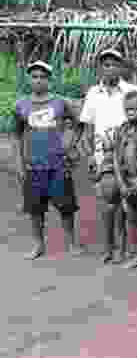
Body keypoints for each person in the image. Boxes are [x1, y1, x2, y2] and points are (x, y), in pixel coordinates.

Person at [79, 49, 137, 263]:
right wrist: (91, 157)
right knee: (109, 204)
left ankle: (128, 250)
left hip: (131, 157)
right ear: (100, 68)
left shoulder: (132, 90)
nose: (109, 68)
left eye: (113, 64)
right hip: (105, 157)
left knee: (129, 205)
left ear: (121, 67)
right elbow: (87, 131)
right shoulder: (93, 93)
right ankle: (109, 248)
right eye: (105, 64)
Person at [14, 60, 83, 259]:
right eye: (34, 76)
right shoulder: (21, 105)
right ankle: (38, 244)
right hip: (33, 165)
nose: (38, 80)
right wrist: (19, 163)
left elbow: (80, 124)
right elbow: (17, 135)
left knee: (66, 206)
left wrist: (70, 144)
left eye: (42, 77)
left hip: (59, 165)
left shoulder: (60, 103)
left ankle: (71, 243)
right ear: (29, 79)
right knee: (35, 209)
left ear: (49, 80)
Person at [112, 90, 137, 269]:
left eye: (135, 109)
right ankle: (135, 254)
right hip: (127, 182)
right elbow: (115, 156)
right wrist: (120, 181)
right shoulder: (122, 129)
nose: (131, 112)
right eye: (127, 109)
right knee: (131, 219)